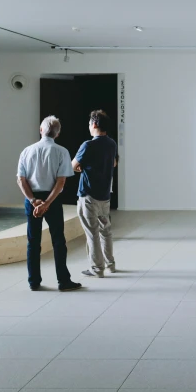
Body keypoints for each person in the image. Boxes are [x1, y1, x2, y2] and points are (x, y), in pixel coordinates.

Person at [17, 116, 82, 292]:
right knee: (58, 240)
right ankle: (63, 280)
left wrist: (33, 201)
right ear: (58, 133)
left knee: (33, 241)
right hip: (51, 199)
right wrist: (46, 203)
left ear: (40, 130)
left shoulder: (27, 151)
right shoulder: (62, 152)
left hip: (32, 199)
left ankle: (34, 281)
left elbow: (21, 180)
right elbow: (60, 182)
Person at [72, 110, 118, 278]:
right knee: (106, 231)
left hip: (89, 196)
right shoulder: (112, 144)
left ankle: (97, 269)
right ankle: (110, 265)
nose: (89, 126)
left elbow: (72, 166)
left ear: (95, 124)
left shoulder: (88, 145)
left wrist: (81, 167)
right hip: (105, 196)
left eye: (90, 123)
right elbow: (113, 163)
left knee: (92, 233)